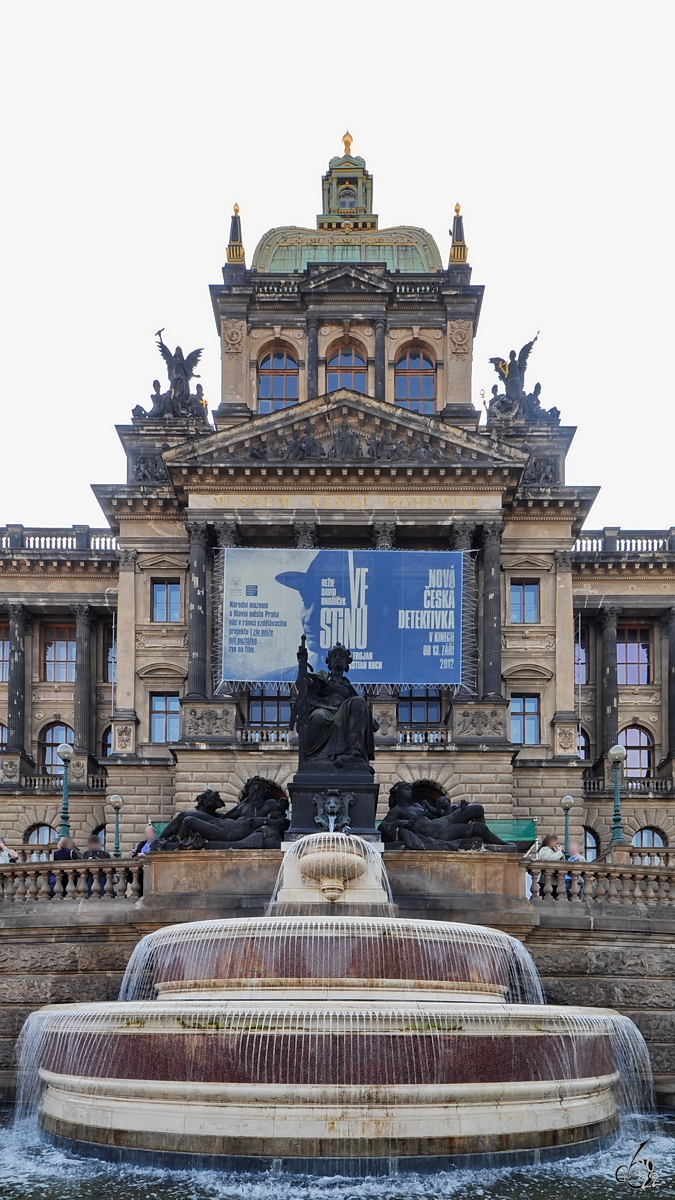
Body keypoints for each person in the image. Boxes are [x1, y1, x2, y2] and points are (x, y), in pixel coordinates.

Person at [533, 833, 565, 898]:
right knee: (547, 897)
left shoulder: (553, 849)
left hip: (555, 879)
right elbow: (551, 858)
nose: (555, 842)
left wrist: (561, 852)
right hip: (546, 879)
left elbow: (562, 860)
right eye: (553, 841)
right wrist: (559, 852)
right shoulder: (544, 850)